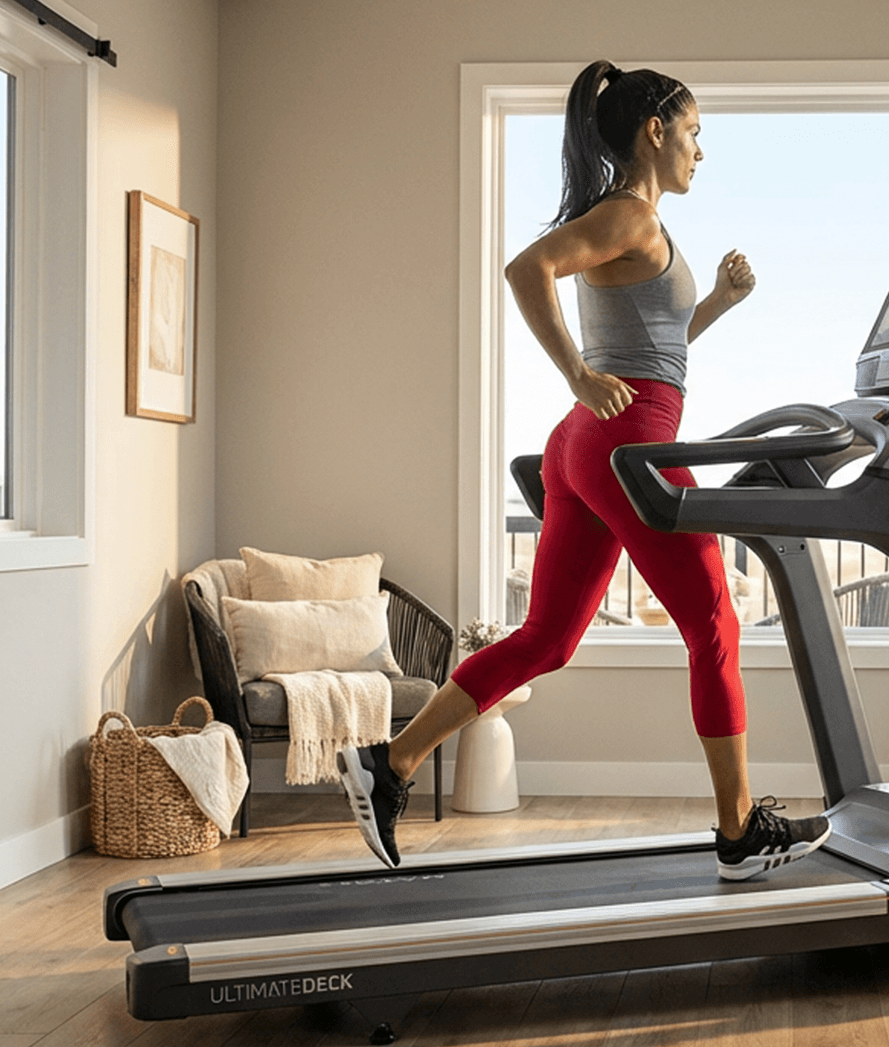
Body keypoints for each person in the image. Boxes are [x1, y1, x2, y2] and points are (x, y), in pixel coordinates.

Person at [340, 60, 831, 881]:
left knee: (548, 638)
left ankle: (390, 763)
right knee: (715, 624)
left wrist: (713, 303)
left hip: (586, 445)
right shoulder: (630, 216)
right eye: (695, 133)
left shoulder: (644, 228)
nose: (701, 152)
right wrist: (574, 372)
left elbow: (656, 352)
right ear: (656, 130)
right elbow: (526, 269)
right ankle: (739, 831)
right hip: (623, 443)